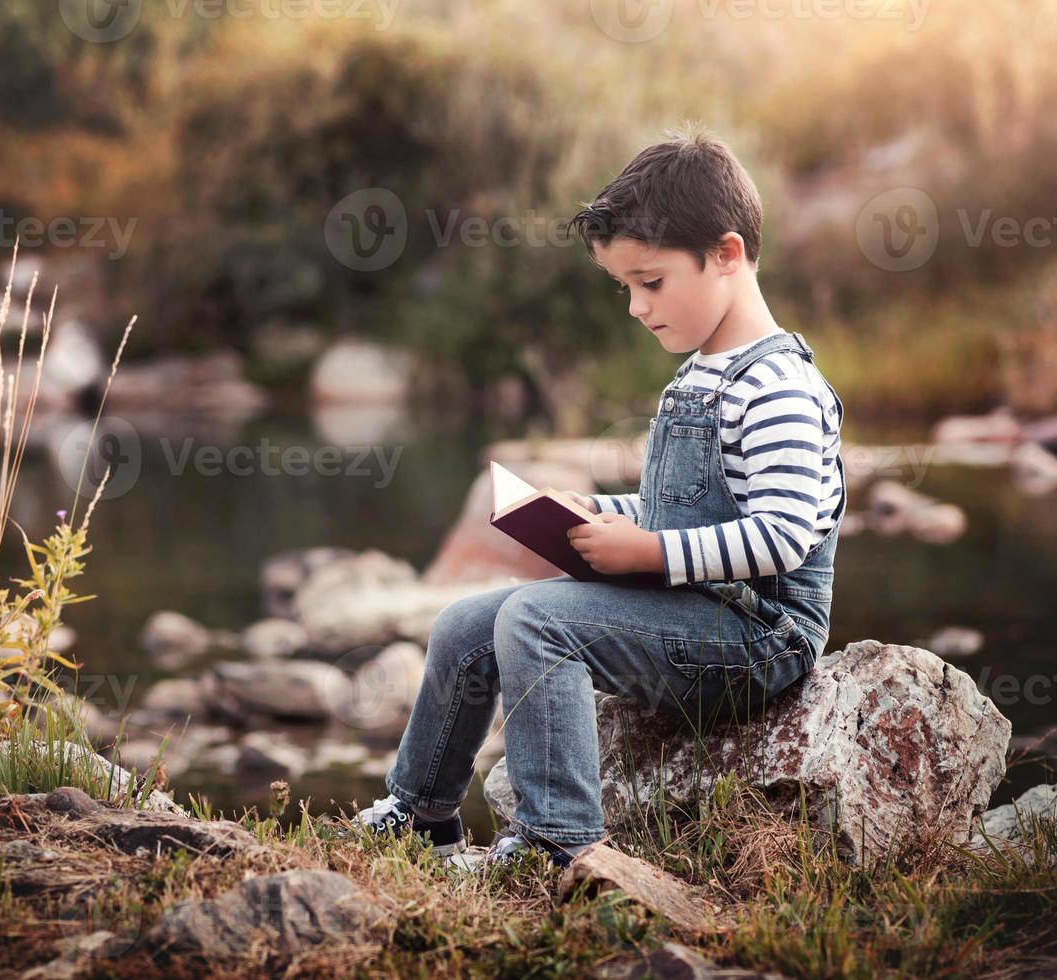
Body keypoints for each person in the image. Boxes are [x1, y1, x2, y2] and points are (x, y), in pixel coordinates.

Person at [352, 129, 847, 869]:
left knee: (536, 619)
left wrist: (646, 552)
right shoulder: (700, 373)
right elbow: (683, 507)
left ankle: (560, 839)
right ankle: (422, 811)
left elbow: (782, 535)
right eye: (625, 289)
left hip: (759, 636)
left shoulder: (777, 387)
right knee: (464, 624)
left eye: (650, 282)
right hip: (695, 607)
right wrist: (599, 512)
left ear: (727, 254)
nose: (636, 308)